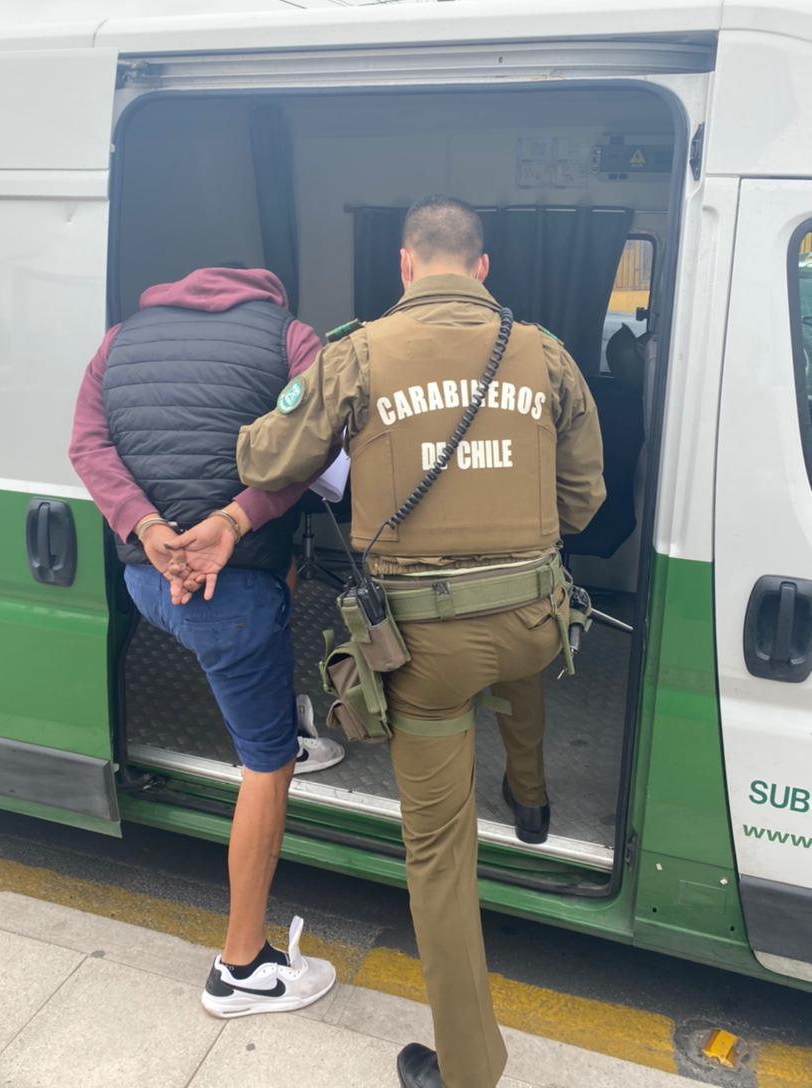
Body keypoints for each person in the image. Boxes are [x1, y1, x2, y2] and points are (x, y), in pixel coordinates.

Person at [168, 197, 604, 1086]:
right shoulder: (546, 353)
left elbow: (265, 460)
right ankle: (531, 803)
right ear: (482, 268)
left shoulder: (356, 352)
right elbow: (585, 501)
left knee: (440, 854)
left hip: (425, 648)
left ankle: (470, 1067)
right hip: (531, 622)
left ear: (405, 265)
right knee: (516, 663)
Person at [68, 262, 339, 1019]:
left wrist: (149, 528)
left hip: (151, 580)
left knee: (265, 610)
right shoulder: (292, 338)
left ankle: (279, 721)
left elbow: (88, 447)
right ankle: (241, 966)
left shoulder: (119, 340)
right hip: (231, 593)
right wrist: (233, 521)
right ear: (266, 296)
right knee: (266, 765)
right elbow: (317, 446)